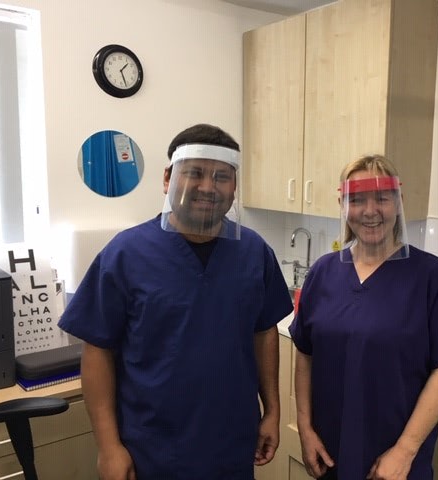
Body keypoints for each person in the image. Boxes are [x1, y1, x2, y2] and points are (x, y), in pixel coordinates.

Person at [59, 123, 293, 480]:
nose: (208, 187)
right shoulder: (126, 254)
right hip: (151, 449)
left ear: (234, 186)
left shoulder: (254, 252)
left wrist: (272, 411)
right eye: (194, 172)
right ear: (168, 178)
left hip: (232, 444)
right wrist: (108, 447)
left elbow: (264, 332)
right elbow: (97, 351)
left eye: (222, 176)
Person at [289, 154, 438, 480]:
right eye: (357, 199)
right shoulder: (322, 272)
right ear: (342, 205)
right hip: (329, 452)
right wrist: (305, 430)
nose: (370, 211)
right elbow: (305, 354)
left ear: (398, 202)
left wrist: (405, 451)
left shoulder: (431, 276)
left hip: (395, 462)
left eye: (382, 198)